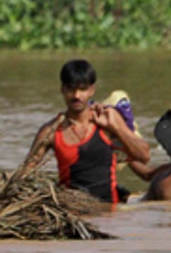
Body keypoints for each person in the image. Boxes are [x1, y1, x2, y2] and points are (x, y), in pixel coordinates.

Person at [19, 59, 150, 203]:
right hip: (72, 214)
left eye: (82, 89)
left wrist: (116, 127)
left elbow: (144, 156)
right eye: (71, 89)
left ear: (91, 90)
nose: (76, 96)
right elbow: (26, 171)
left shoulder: (107, 120)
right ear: (62, 89)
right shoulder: (50, 131)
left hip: (109, 215)